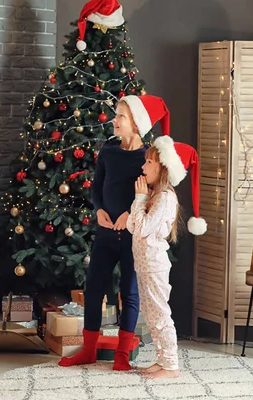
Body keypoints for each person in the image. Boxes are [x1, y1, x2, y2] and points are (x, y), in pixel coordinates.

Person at [58, 93, 171, 371]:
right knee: (94, 289)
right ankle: (89, 350)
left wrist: (128, 214)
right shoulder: (108, 152)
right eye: (116, 115)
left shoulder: (147, 158)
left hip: (133, 237)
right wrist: (98, 210)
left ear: (136, 123)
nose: (114, 120)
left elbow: (153, 195)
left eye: (121, 116)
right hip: (106, 234)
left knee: (129, 293)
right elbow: (97, 188)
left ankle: (122, 354)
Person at [127, 133, 207, 378]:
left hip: (154, 265)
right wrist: (141, 201)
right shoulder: (154, 196)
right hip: (144, 265)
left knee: (160, 313)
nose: (143, 167)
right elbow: (132, 225)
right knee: (151, 314)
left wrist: (139, 198)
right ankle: (162, 360)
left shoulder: (165, 198)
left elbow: (140, 227)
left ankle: (171, 365)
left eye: (149, 162)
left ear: (162, 168)